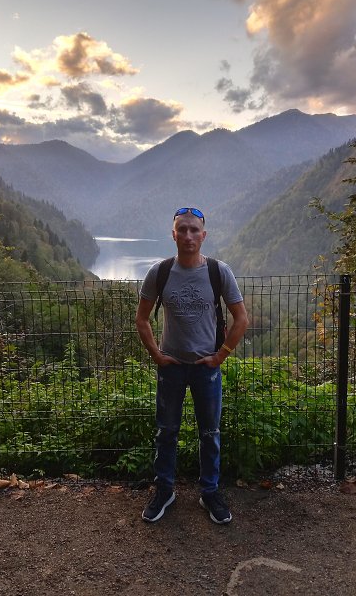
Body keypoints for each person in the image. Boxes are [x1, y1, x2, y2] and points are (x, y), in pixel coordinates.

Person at [135, 207, 248, 524]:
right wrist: (157, 355)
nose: (188, 235)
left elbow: (241, 319)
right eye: (182, 229)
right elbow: (142, 319)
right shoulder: (160, 272)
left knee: (209, 433)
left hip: (205, 368)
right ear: (173, 234)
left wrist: (220, 356)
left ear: (203, 235)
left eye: (194, 230)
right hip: (171, 366)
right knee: (166, 432)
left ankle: (209, 492)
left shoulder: (218, 271)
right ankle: (164, 490)